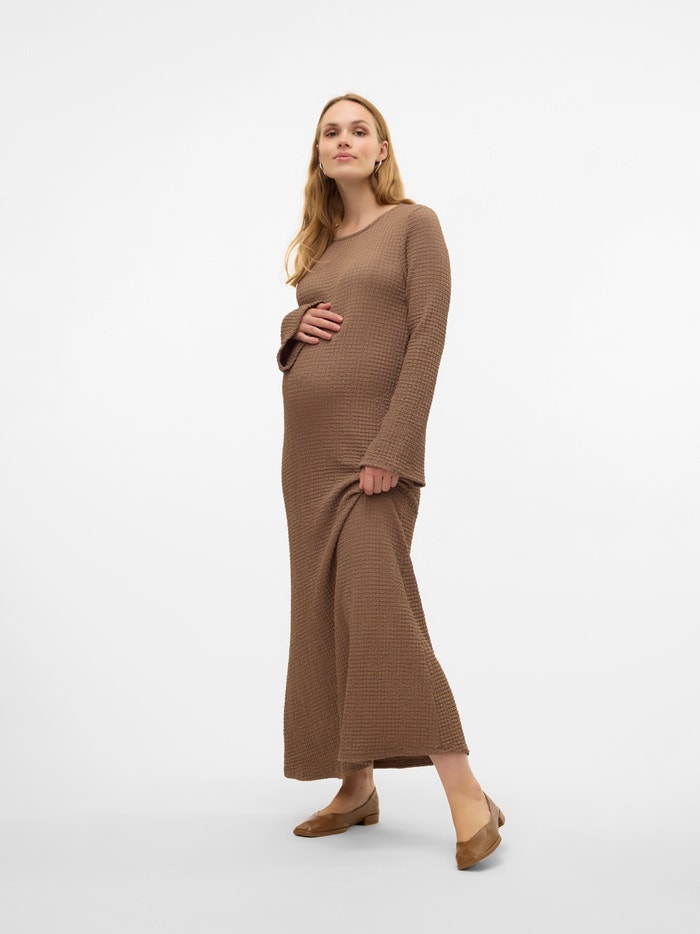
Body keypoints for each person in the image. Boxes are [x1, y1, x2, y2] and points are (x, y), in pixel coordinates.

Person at [276, 92, 505, 871]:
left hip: (372, 455)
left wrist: (394, 446)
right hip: (307, 459)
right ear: (319, 154)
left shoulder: (414, 225)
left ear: (381, 149)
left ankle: (467, 793)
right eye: (330, 132)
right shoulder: (320, 246)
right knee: (327, 614)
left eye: (359, 130)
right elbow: (309, 324)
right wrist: (290, 327)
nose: (343, 140)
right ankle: (355, 787)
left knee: (381, 613)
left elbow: (427, 333)